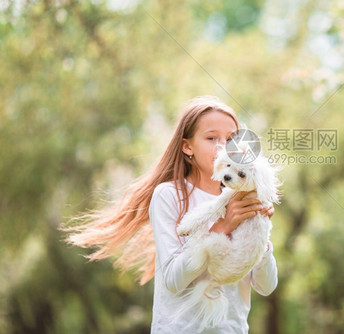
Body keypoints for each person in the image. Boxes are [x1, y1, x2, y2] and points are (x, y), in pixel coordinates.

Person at [66, 96, 278, 333]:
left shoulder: (246, 196)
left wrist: (261, 240)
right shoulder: (169, 196)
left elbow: (266, 286)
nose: (223, 148)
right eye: (211, 138)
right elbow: (174, 281)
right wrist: (222, 227)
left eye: (230, 140)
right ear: (187, 146)